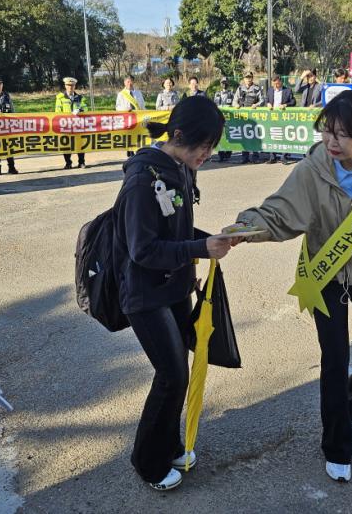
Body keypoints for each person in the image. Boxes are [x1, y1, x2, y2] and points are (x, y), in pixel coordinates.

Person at [232, 90, 352, 483]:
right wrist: (245, 227)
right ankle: (337, 446)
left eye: (343, 134)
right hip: (325, 276)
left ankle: (345, 403)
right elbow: (280, 212)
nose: (332, 141)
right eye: (326, 131)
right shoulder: (312, 169)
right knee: (334, 359)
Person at [113, 95, 233, 492]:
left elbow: (176, 232)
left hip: (175, 285)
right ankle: (147, 461)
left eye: (212, 146)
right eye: (203, 145)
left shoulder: (180, 168)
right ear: (178, 135)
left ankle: (167, 446)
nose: (207, 154)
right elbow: (142, 250)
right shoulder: (142, 181)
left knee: (177, 373)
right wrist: (200, 248)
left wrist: (213, 241)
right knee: (171, 374)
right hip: (145, 293)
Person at [56, 77, 87, 169]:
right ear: (65, 86)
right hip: (66, 125)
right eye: (68, 85)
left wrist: (80, 110)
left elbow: (85, 108)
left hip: (78, 124)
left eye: (72, 85)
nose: (70, 87)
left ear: (75, 86)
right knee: (66, 144)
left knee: (80, 144)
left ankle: (81, 162)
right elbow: (57, 111)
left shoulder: (80, 98)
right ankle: (68, 163)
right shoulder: (60, 98)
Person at [233, 71, 265, 163]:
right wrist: (236, 105)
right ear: (244, 79)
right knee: (244, 137)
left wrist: (256, 105)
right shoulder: (240, 89)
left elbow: (262, 100)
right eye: (246, 77)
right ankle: (245, 157)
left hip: (254, 116)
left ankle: (255, 157)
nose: (248, 79)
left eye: (250, 77)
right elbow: (234, 101)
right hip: (243, 116)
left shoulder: (257, 88)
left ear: (252, 78)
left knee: (254, 136)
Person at [266, 75, 296, 163]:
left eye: (277, 83)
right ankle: (272, 157)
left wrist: (285, 105)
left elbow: (293, 101)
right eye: (274, 84)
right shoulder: (270, 90)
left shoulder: (287, 90)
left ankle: (284, 156)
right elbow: (266, 99)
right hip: (272, 116)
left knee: (284, 136)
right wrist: (268, 103)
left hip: (284, 117)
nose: (275, 85)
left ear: (281, 82)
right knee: (272, 135)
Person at [116, 75, 146, 156]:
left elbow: (142, 105)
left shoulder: (138, 93)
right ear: (124, 83)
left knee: (138, 134)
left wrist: (145, 113)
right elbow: (117, 107)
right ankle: (130, 152)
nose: (129, 83)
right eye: (128, 82)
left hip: (138, 117)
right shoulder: (121, 94)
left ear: (133, 82)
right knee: (129, 135)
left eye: (131, 81)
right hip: (127, 117)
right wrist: (125, 109)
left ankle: (138, 151)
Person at [213, 78, 234, 162]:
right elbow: (214, 104)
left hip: (229, 118)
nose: (224, 85)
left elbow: (234, 103)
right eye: (223, 83)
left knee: (228, 135)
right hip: (219, 118)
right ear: (220, 84)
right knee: (220, 136)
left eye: (225, 83)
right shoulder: (217, 93)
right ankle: (221, 155)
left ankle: (228, 153)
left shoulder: (231, 93)